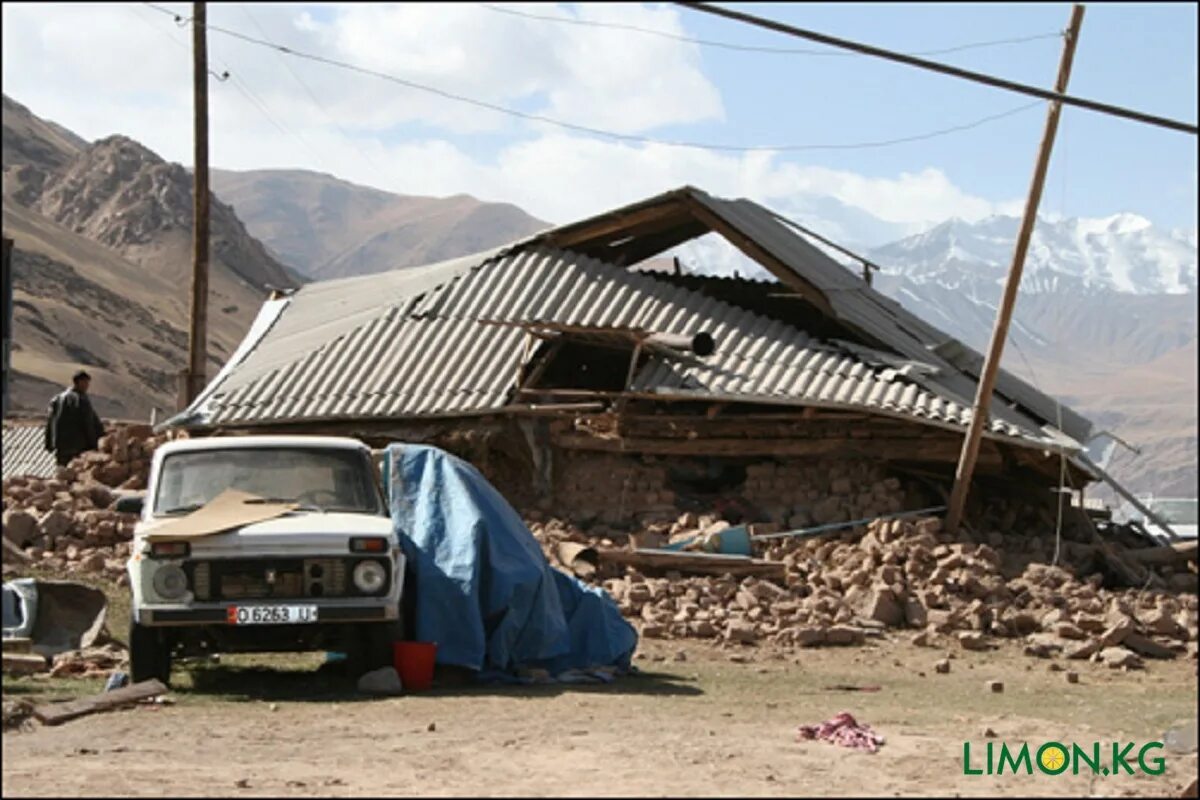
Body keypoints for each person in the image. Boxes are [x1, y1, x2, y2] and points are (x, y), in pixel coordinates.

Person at [44, 370, 104, 467]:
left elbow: (50, 422)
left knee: (62, 474)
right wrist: (94, 443)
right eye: (86, 382)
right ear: (79, 382)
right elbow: (87, 422)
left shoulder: (57, 399)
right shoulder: (79, 399)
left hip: (61, 446)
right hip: (78, 446)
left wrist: (49, 443)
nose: (87, 386)